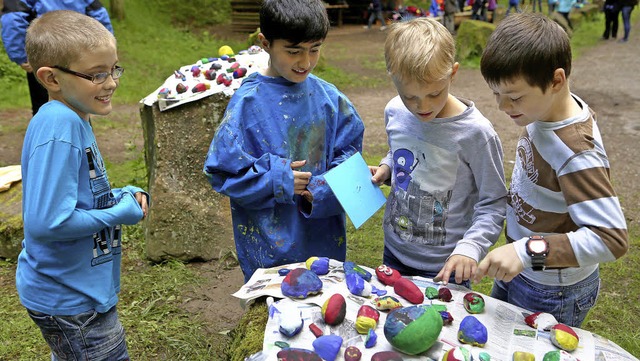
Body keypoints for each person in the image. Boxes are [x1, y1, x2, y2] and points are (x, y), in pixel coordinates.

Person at [476, 13, 629, 327]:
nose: (503, 107)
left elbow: (611, 238)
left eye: (514, 97)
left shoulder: (576, 152)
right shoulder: (545, 110)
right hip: (522, 266)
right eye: (497, 95)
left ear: (557, 81)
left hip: (551, 289)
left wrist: (526, 251)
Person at [17, 10, 149, 360]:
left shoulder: (70, 118)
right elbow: (48, 222)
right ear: (51, 78)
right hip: (72, 303)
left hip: (76, 295)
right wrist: (118, 213)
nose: (111, 83)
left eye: (113, 69)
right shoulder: (60, 128)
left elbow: (76, 197)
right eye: (96, 75)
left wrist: (119, 196)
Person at [203, 0, 365, 283]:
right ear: (265, 43)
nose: (305, 62)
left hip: (324, 241)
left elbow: (349, 152)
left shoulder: (330, 99)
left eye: (314, 49)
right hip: (269, 249)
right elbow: (224, 173)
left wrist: (319, 190)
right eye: (293, 51)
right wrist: (279, 180)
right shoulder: (247, 105)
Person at [369, 17, 507, 288]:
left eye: (434, 93)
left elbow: (494, 202)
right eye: (410, 96)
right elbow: (401, 150)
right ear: (393, 78)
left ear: (452, 74)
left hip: (448, 266)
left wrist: (470, 247)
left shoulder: (476, 134)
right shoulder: (395, 111)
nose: (422, 107)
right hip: (395, 253)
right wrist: (388, 168)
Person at [1, 0, 113, 116]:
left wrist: (21, 56)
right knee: (80, 103)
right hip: (79, 55)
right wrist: (105, 50)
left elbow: (12, 19)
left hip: (44, 54)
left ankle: (48, 129)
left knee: (43, 104)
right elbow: (98, 13)